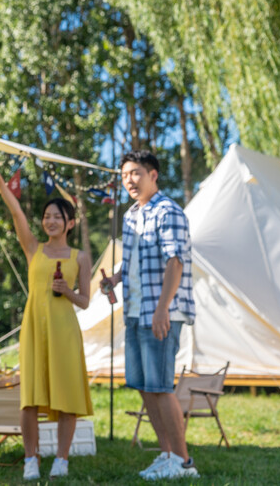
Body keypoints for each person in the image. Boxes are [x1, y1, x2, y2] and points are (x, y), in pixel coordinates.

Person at [101, 150, 199, 480]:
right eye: (125, 174)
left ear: (153, 175)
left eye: (136, 173)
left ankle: (184, 463)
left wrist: (162, 310)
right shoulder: (130, 216)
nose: (129, 179)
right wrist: (114, 279)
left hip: (161, 311)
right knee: (144, 386)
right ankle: (167, 454)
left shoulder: (168, 211)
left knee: (160, 387)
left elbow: (176, 262)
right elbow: (131, 262)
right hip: (134, 312)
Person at [0, 158, 93, 481]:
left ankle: (61, 460)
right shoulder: (33, 248)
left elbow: (86, 301)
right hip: (33, 329)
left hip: (65, 331)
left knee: (66, 395)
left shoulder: (80, 257)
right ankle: (31, 459)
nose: (50, 221)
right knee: (30, 398)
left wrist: (67, 290)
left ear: (69, 223)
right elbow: (16, 213)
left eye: (58, 217)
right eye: (47, 216)